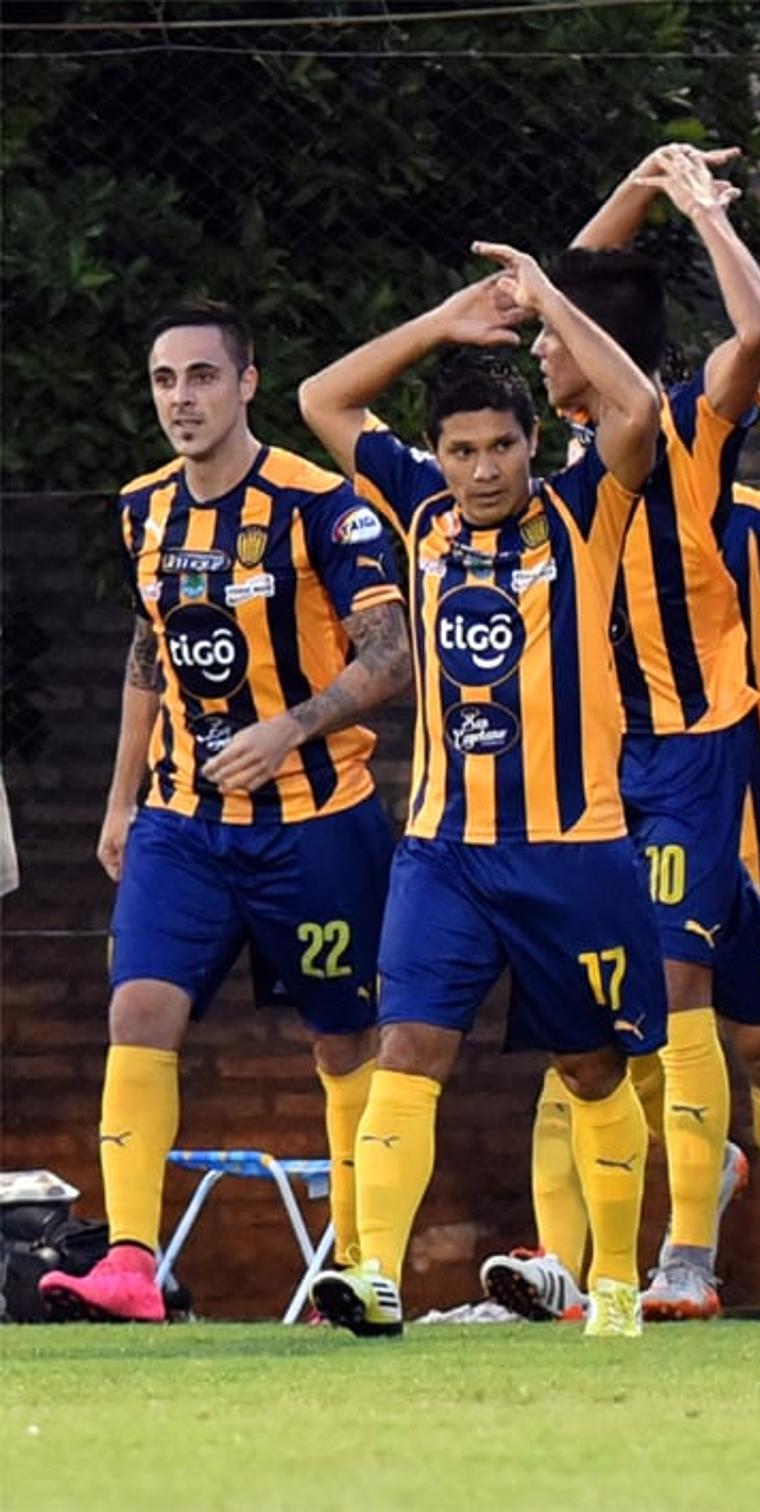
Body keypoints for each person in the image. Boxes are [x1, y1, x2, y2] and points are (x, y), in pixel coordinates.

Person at [297, 244, 665, 1338]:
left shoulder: (589, 509)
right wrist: (442, 321)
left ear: (535, 445)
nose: (483, 469)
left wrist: (547, 298)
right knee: (407, 1051)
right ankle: (375, 1277)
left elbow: (638, 403)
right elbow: (323, 397)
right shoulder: (417, 514)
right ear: (440, 457)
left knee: (593, 1066)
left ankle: (610, 1286)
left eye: (502, 446)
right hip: (443, 850)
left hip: (572, 845)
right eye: (461, 450)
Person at [39, 301, 410, 1325]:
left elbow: (393, 652)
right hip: (182, 822)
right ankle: (127, 1263)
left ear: (246, 384)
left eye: (202, 377)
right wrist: (122, 800)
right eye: (165, 381)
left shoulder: (323, 507)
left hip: (319, 818)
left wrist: (291, 726)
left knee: (345, 1040)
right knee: (137, 1012)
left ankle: (365, 1266)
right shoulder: (141, 509)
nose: (182, 400)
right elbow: (151, 651)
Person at [488, 482, 760, 1326]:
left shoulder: (751, 519)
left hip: (743, 822)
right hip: (603, 817)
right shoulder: (551, 518)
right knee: (594, 1028)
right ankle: (601, 1264)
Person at [566, 146, 760, 1323]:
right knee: (600, 1001)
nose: (539, 347)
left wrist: (698, 214)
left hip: (696, 742)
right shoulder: (554, 447)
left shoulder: (690, 419)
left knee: (678, 979)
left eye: (556, 336)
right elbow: (584, 272)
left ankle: (688, 1252)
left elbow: (758, 331)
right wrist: (641, 178)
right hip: (596, 757)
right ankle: (697, 1173)